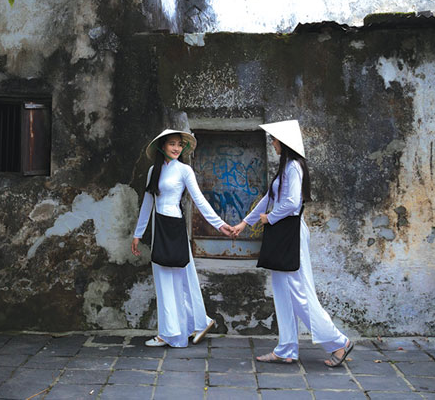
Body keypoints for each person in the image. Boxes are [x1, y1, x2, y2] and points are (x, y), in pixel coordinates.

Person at [229, 120, 354, 367]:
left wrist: (269, 218)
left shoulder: (293, 167)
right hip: (283, 233)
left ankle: (339, 342)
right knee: (283, 293)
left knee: (299, 293)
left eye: (274, 140)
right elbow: (269, 198)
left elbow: (292, 203)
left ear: (284, 143)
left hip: (290, 234)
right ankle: (286, 348)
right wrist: (245, 222)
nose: (272, 144)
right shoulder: (286, 167)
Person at [131, 129, 235, 347]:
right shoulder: (153, 171)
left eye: (179, 144)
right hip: (159, 228)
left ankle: (186, 328)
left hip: (175, 228)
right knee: (162, 281)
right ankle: (172, 331)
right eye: (172, 144)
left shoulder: (184, 170)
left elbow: (199, 199)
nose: (177, 148)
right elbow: (147, 203)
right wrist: (138, 234)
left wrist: (219, 224)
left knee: (182, 280)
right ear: (162, 146)